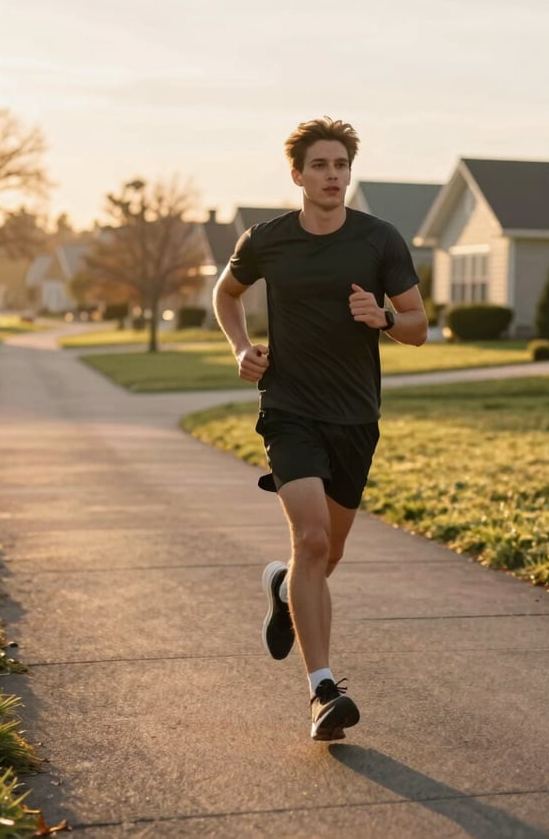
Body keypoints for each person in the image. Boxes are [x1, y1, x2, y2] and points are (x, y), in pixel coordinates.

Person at [212, 116, 428, 741]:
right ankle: (322, 692)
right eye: (320, 167)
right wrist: (241, 349)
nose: (333, 176)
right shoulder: (266, 240)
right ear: (298, 176)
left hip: (356, 414)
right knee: (309, 540)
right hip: (290, 407)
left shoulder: (379, 239)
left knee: (327, 554)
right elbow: (226, 295)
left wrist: (383, 315)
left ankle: (282, 593)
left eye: (341, 166)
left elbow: (417, 323)